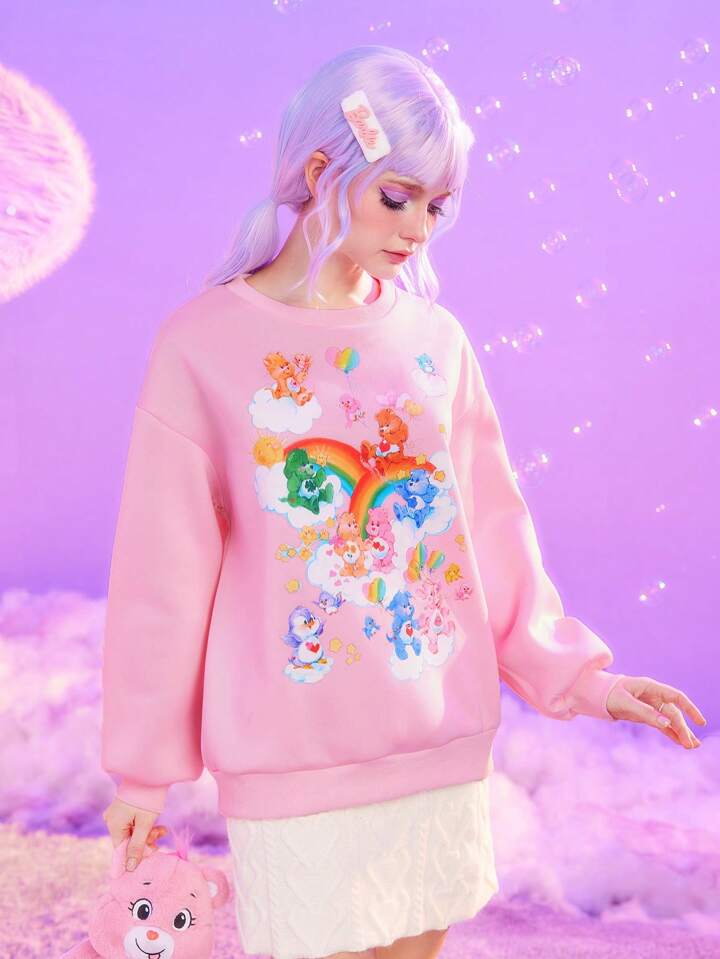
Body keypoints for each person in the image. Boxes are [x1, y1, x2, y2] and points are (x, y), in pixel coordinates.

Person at [101, 45, 706, 959]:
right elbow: (163, 573)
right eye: (397, 196)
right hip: (292, 767)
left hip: (438, 758)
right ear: (320, 172)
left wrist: (589, 681)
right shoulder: (202, 346)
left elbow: (492, 535)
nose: (420, 227)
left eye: (437, 204)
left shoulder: (435, 342)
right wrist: (142, 773)